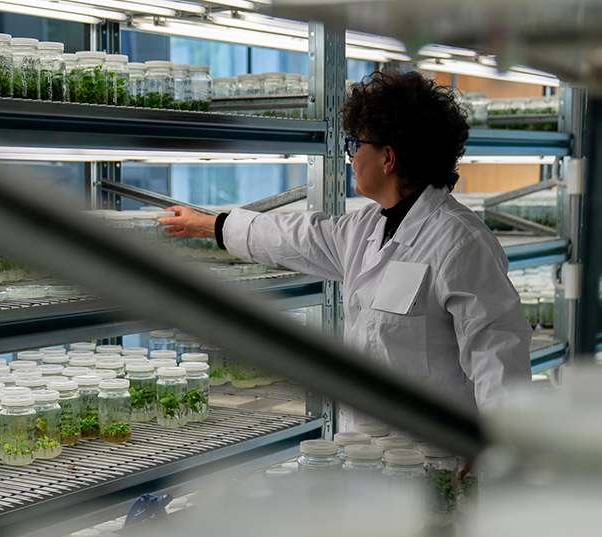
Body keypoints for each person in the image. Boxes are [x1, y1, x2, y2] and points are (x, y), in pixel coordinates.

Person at [160, 71, 532, 432]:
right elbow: (294, 237)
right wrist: (208, 224)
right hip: (366, 458)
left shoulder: (460, 243)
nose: (349, 157)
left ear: (388, 158)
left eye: (356, 145)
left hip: (434, 464)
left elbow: (499, 362)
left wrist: (497, 451)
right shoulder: (368, 227)